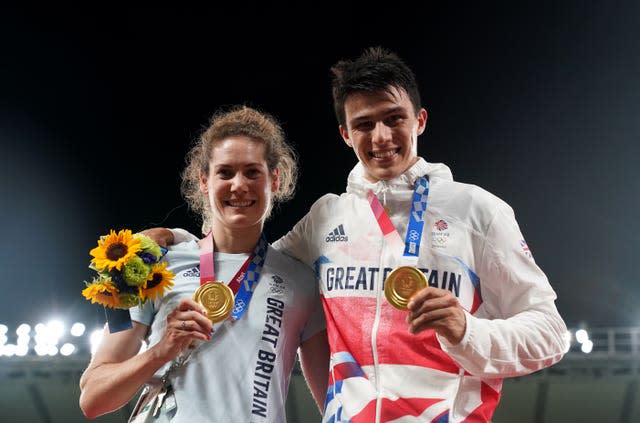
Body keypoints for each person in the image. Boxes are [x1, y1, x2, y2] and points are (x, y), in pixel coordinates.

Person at [153, 46, 568, 422]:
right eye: (364, 124)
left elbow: (550, 333)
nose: (382, 137)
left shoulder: (477, 211)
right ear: (345, 134)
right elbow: (252, 264)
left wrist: (468, 330)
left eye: (394, 118)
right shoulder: (327, 217)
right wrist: (181, 241)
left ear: (419, 120)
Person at [78, 105, 329, 422]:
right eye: (225, 172)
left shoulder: (300, 282)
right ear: (204, 181)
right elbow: (92, 397)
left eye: (253, 172)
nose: (239, 185)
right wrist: (161, 350)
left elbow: (332, 403)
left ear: (274, 180)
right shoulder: (153, 266)